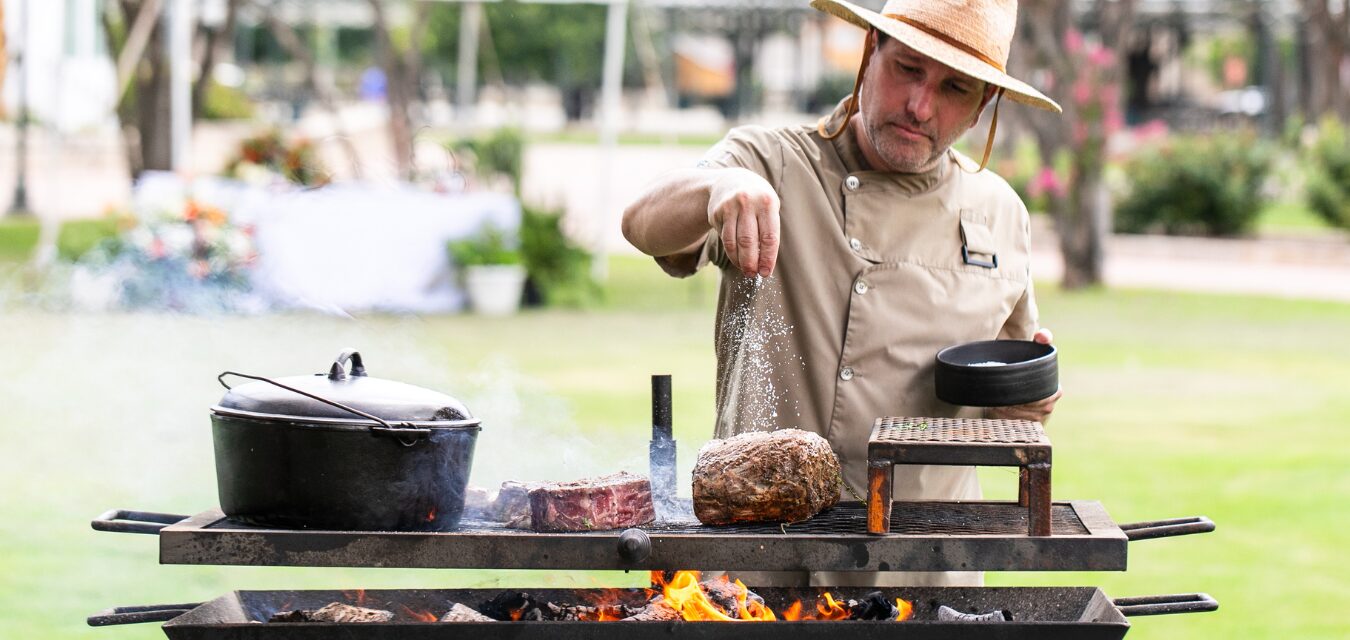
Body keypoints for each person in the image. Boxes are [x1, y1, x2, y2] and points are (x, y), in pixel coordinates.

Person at [622, 0, 1063, 587]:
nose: (920, 105)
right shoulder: (772, 162)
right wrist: (718, 188)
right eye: (908, 68)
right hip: (760, 575)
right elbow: (640, 221)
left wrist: (1021, 412)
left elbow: (1005, 394)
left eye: (954, 87)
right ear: (868, 55)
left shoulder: (1000, 212)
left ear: (984, 104)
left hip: (925, 578)